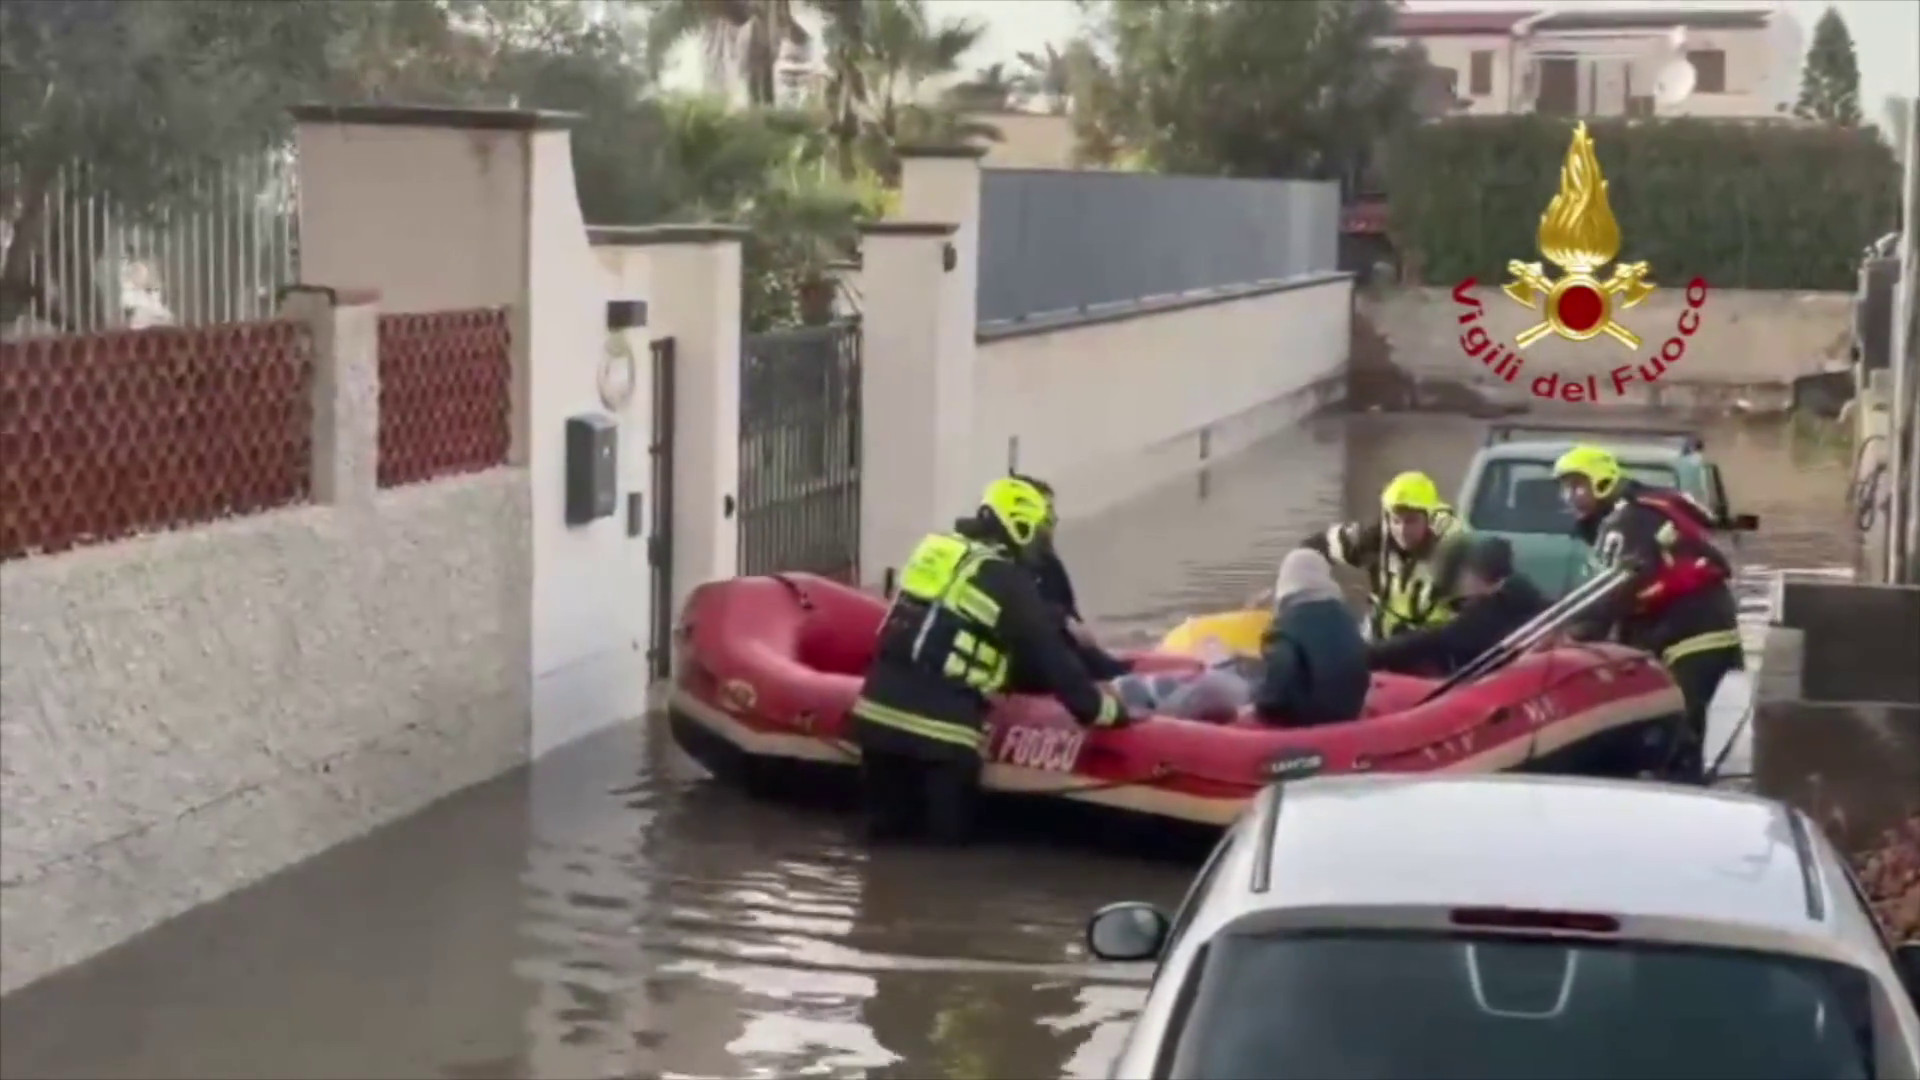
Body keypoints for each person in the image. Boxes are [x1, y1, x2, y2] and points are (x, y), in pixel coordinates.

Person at [850, 475, 1131, 845]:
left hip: (875, 718)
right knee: (944, 854)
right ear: (1020, 525)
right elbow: (1051, 659)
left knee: (884, 841)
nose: (1044, 543)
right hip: (941, 735)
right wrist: (1106, 710)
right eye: (1041, 531)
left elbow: (943, 629)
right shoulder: (1006, 579)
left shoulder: (937, 550)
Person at [1553, 444, 1743, 781]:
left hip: (1694, 633)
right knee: (1680, 725)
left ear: (1601, 482)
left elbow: (1613, 592)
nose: (1571, 497)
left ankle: (1685, 795)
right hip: (1694, 626)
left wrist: (1572, 637)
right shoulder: (1633, 512)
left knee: (1682, 728)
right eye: (1566, 489)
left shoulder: (1625, 521)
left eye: (1578, 487)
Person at [1303, 471, 1470, 641]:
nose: (1403, 531)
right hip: (1382, 640)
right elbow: (1319, 547)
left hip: (1433, 647)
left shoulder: (1453, 550)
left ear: (1428, 519)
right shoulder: (1376, 538)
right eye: (1396, 521)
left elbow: (1471, 620)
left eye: (1411, 521)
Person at [1367, 535, 1550, 677]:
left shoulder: (1488, 613)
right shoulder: (1524, 598)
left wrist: (1371, 655)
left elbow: (1434, 639)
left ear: (1471, 573)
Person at [1011, 473, 1133, 680]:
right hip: (1034, 673)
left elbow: (1074, 621)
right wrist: (1063, 620)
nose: (1055, 518)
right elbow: (1020, 619)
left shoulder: (1049, 564)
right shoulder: (1003, 569)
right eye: (1048, 511)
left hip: (1069, 663)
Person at [1251, 549, 1371, 726]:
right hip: (1351, 712)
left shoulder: (1286, 625)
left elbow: (1282, 667)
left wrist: (1263, 707)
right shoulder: (1347, 617)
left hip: (1308, 721)